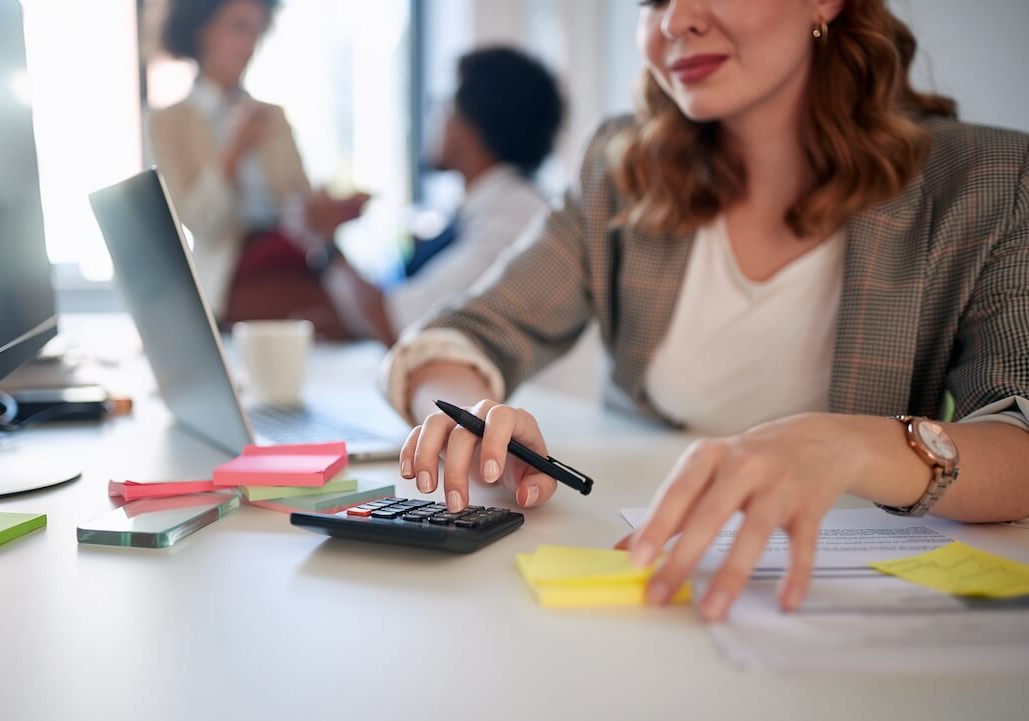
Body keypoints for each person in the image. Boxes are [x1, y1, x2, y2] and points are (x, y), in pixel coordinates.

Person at [385, 0, 1029, 620]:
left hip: (843, 609)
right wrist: (473, 421)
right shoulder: (623, 166)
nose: (675, 20)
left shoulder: (987, 181)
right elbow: (460, 335)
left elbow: (1018, 434)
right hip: (643, 591)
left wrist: (848, 445)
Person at [149, 0, 369, 337]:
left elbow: (299, 203)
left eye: (256, 30)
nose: (250, 44)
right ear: (203, 29)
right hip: (234, 275)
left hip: (290, 261)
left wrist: (323, 210)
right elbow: (201, 223)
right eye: (239, 27)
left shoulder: (273, 117)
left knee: (344, 320)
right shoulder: (168, 124)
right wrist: (233, 152)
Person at [324, 47, 565, 346]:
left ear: (474, 121)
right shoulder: (490, 209)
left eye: (442, 105)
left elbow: (397, 326)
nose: (434, 119)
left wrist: (323, 242)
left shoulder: (514, 219)